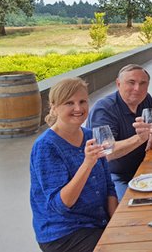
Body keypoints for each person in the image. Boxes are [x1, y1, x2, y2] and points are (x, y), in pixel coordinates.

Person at [30, 77, 117, 252]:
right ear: (53, 107)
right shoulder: (46, 146)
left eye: (82, 101)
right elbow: (61, 205)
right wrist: (87, 164)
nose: (78, 108)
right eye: (69, 103)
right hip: (64, 233)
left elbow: (108, 186)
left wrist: (117, 223)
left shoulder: (90, 135)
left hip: (97, 222)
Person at [87, 64, 152, 200]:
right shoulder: (104, 110)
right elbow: (105, 152)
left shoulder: (145, 100)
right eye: (131, 82)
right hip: (115, 175)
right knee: (131, 207)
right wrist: (140, 138)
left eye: (142, 83)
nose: (137, 88)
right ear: (118, 84)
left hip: (146, 166)